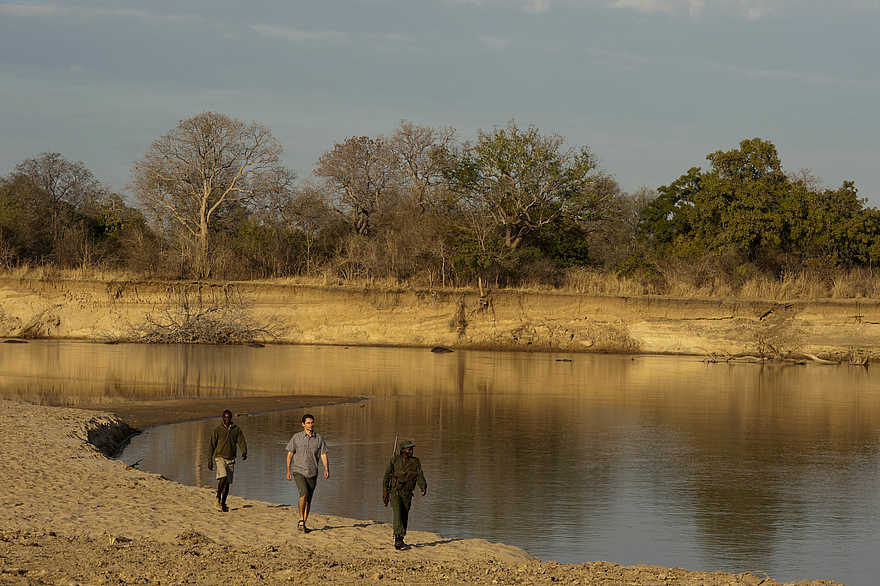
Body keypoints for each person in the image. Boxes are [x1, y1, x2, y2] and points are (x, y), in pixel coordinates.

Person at [285, 413, 330, 533]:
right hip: (298, 471)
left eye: (312, 422)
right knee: (303, 494)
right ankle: (300, 519)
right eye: (308, 423)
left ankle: (303, 523)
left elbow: (323, 454)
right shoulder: (296, 437)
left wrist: (326, 469)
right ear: (303, 424)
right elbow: (290, 454)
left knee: (309, 499)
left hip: (313, 472)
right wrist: (288, 470)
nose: (311, 425)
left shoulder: (319, 438)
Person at [383, 439, 427, 550]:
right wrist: (385, 492)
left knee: (404, 515)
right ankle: (397, 539)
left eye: (412, 448)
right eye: (409, 449)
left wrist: (423, 487)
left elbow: (419, 475)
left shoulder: (415, 461)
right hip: (395, 492)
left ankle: (401, 538)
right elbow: (386, 476)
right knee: (397, 513)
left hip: (407, 493)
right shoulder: (394, 460)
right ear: (403, 450)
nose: (411, 450)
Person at [207, 409, 247, 512]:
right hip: (220, 457)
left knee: (228, 483)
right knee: (223, 476)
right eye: (225, 417)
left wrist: (244, 451)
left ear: (231, 418)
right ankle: (217, 498)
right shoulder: (217, 430)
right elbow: (212, 445)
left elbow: (241, 440)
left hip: (231, 459)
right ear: (222, 418)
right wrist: (209, 460)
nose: (227, 419)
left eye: (229, 417)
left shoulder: (236, 429)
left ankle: (223, 503)